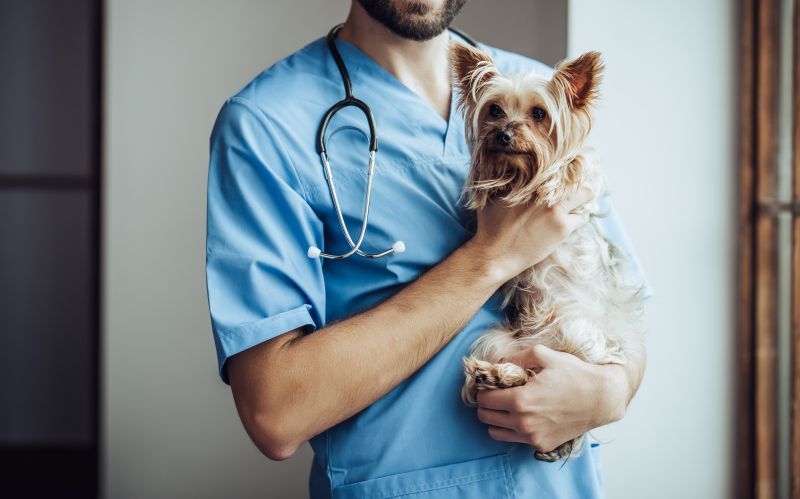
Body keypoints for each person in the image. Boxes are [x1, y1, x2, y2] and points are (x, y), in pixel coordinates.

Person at [205, 1, 649, 497]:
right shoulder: (266, 124)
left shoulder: (544, 91)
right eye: (497, 115)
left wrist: (609, 392)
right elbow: (275, 412)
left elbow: (623, 314)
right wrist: (492, 256)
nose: (510, 123)